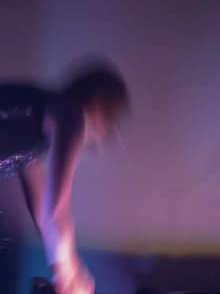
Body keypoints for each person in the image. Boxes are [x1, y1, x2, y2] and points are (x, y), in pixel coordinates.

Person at [0, 61, 130, 294]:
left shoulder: (32, 147)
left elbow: (44, 214)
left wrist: (69, 270)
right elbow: (56, 210)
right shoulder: (69, 112)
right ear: (99, 109)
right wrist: (70, 272)